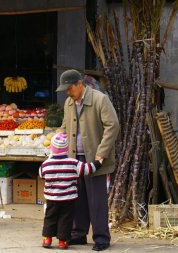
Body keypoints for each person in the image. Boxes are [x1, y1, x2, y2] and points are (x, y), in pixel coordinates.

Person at [56, 69, 120, 251]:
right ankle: (79, 234)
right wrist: (57, 141)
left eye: (69, 89)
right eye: (66, 90)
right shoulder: (69, 103)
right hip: (73, 158)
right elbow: (64, 126)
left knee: (97, 200)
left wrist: (102, 153)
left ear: (79, 84)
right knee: (77, 198)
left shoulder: (100, 99)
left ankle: (101, 238)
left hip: (95, 159)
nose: (67, 93)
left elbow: (113, 126)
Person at [39, 132, 103, 249]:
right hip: (68, 199)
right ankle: (62, 241)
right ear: (67, 149)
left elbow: (41, 175)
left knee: (50, 217)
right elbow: (87, 169)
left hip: (52, 199)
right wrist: (98, 163)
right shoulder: (73, 163)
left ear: (51, 148)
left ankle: (47, 239)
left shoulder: (46, 165)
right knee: (66, 219)